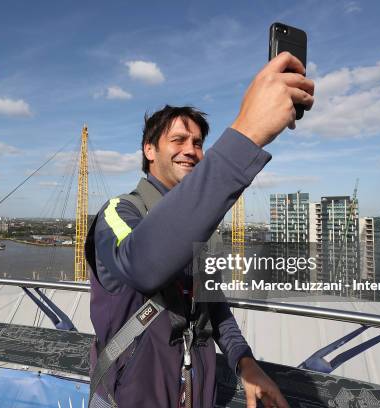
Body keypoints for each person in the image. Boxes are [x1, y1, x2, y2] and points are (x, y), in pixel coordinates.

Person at [86, 52, 314, 408]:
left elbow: (213, 305)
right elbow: (142, 264)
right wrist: (247, 133)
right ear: (149, 150)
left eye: (197, 143)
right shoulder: (118, 212)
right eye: (178, 141)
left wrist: (244, 361)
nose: (190, 151)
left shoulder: (199, 227)